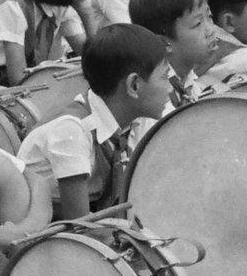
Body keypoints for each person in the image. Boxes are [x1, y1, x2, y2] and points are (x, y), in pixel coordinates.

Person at [18, 24, 172, 220]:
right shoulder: (72, 130)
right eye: (164, 77)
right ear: (134, 85)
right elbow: (81, 223)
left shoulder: (137, 120)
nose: (169, 89)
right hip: (45, 232)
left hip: (92, 222)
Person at [126, 0, 220, 103]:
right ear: (164, 43)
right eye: (198, 24)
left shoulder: (190, 83)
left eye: (209, 16)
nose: (211, 30)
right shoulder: (153, 100)